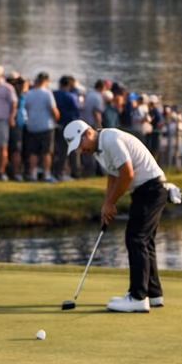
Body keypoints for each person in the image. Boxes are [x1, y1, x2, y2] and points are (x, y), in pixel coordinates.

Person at [63, 119, 169, 313]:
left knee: (135, 238)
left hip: (151, 188)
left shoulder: (111, 140)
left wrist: (112, 202)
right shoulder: (99, 149)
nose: (80, 150)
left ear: (87, 133)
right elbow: (113, 175)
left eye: (80, 145)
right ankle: (154, 294)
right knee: (145, 240)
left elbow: (127, 175)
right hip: (147, 189)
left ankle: (138, 297)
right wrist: (106, 203)